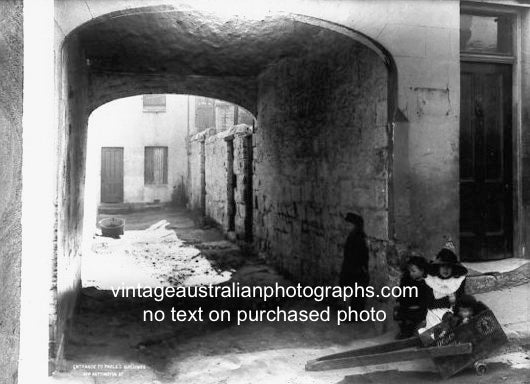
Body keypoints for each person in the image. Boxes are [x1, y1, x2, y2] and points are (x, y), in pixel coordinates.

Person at [418, 242, 468, 334]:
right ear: (438, 267)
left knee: (460, 324)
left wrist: (456, 305)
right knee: (435, 331)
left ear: (453, 268)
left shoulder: (456, 281)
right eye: (443, 266)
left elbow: (461, 298)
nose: (446, 270)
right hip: (434, 312)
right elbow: (428, 303)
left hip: (452, 313)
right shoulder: (432, 281)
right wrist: (447, 301)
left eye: (449, 267)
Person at [393, 256, 430, 339]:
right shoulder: (406, 281)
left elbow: (426, 301)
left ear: (422, 270)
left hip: (421, 311)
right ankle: (405, 329)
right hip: (406, 309)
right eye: (410, 271)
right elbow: (400, 295)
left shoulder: (427, 283)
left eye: (413, 271)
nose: (411, 273)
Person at [339, 212, 369, 312]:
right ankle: (350, 312)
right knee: (351, 292)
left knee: (354, 293)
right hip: (352, 268)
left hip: (355, 269)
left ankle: (352, 313)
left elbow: (362, 255)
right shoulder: (355, 236)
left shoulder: (358, 237)